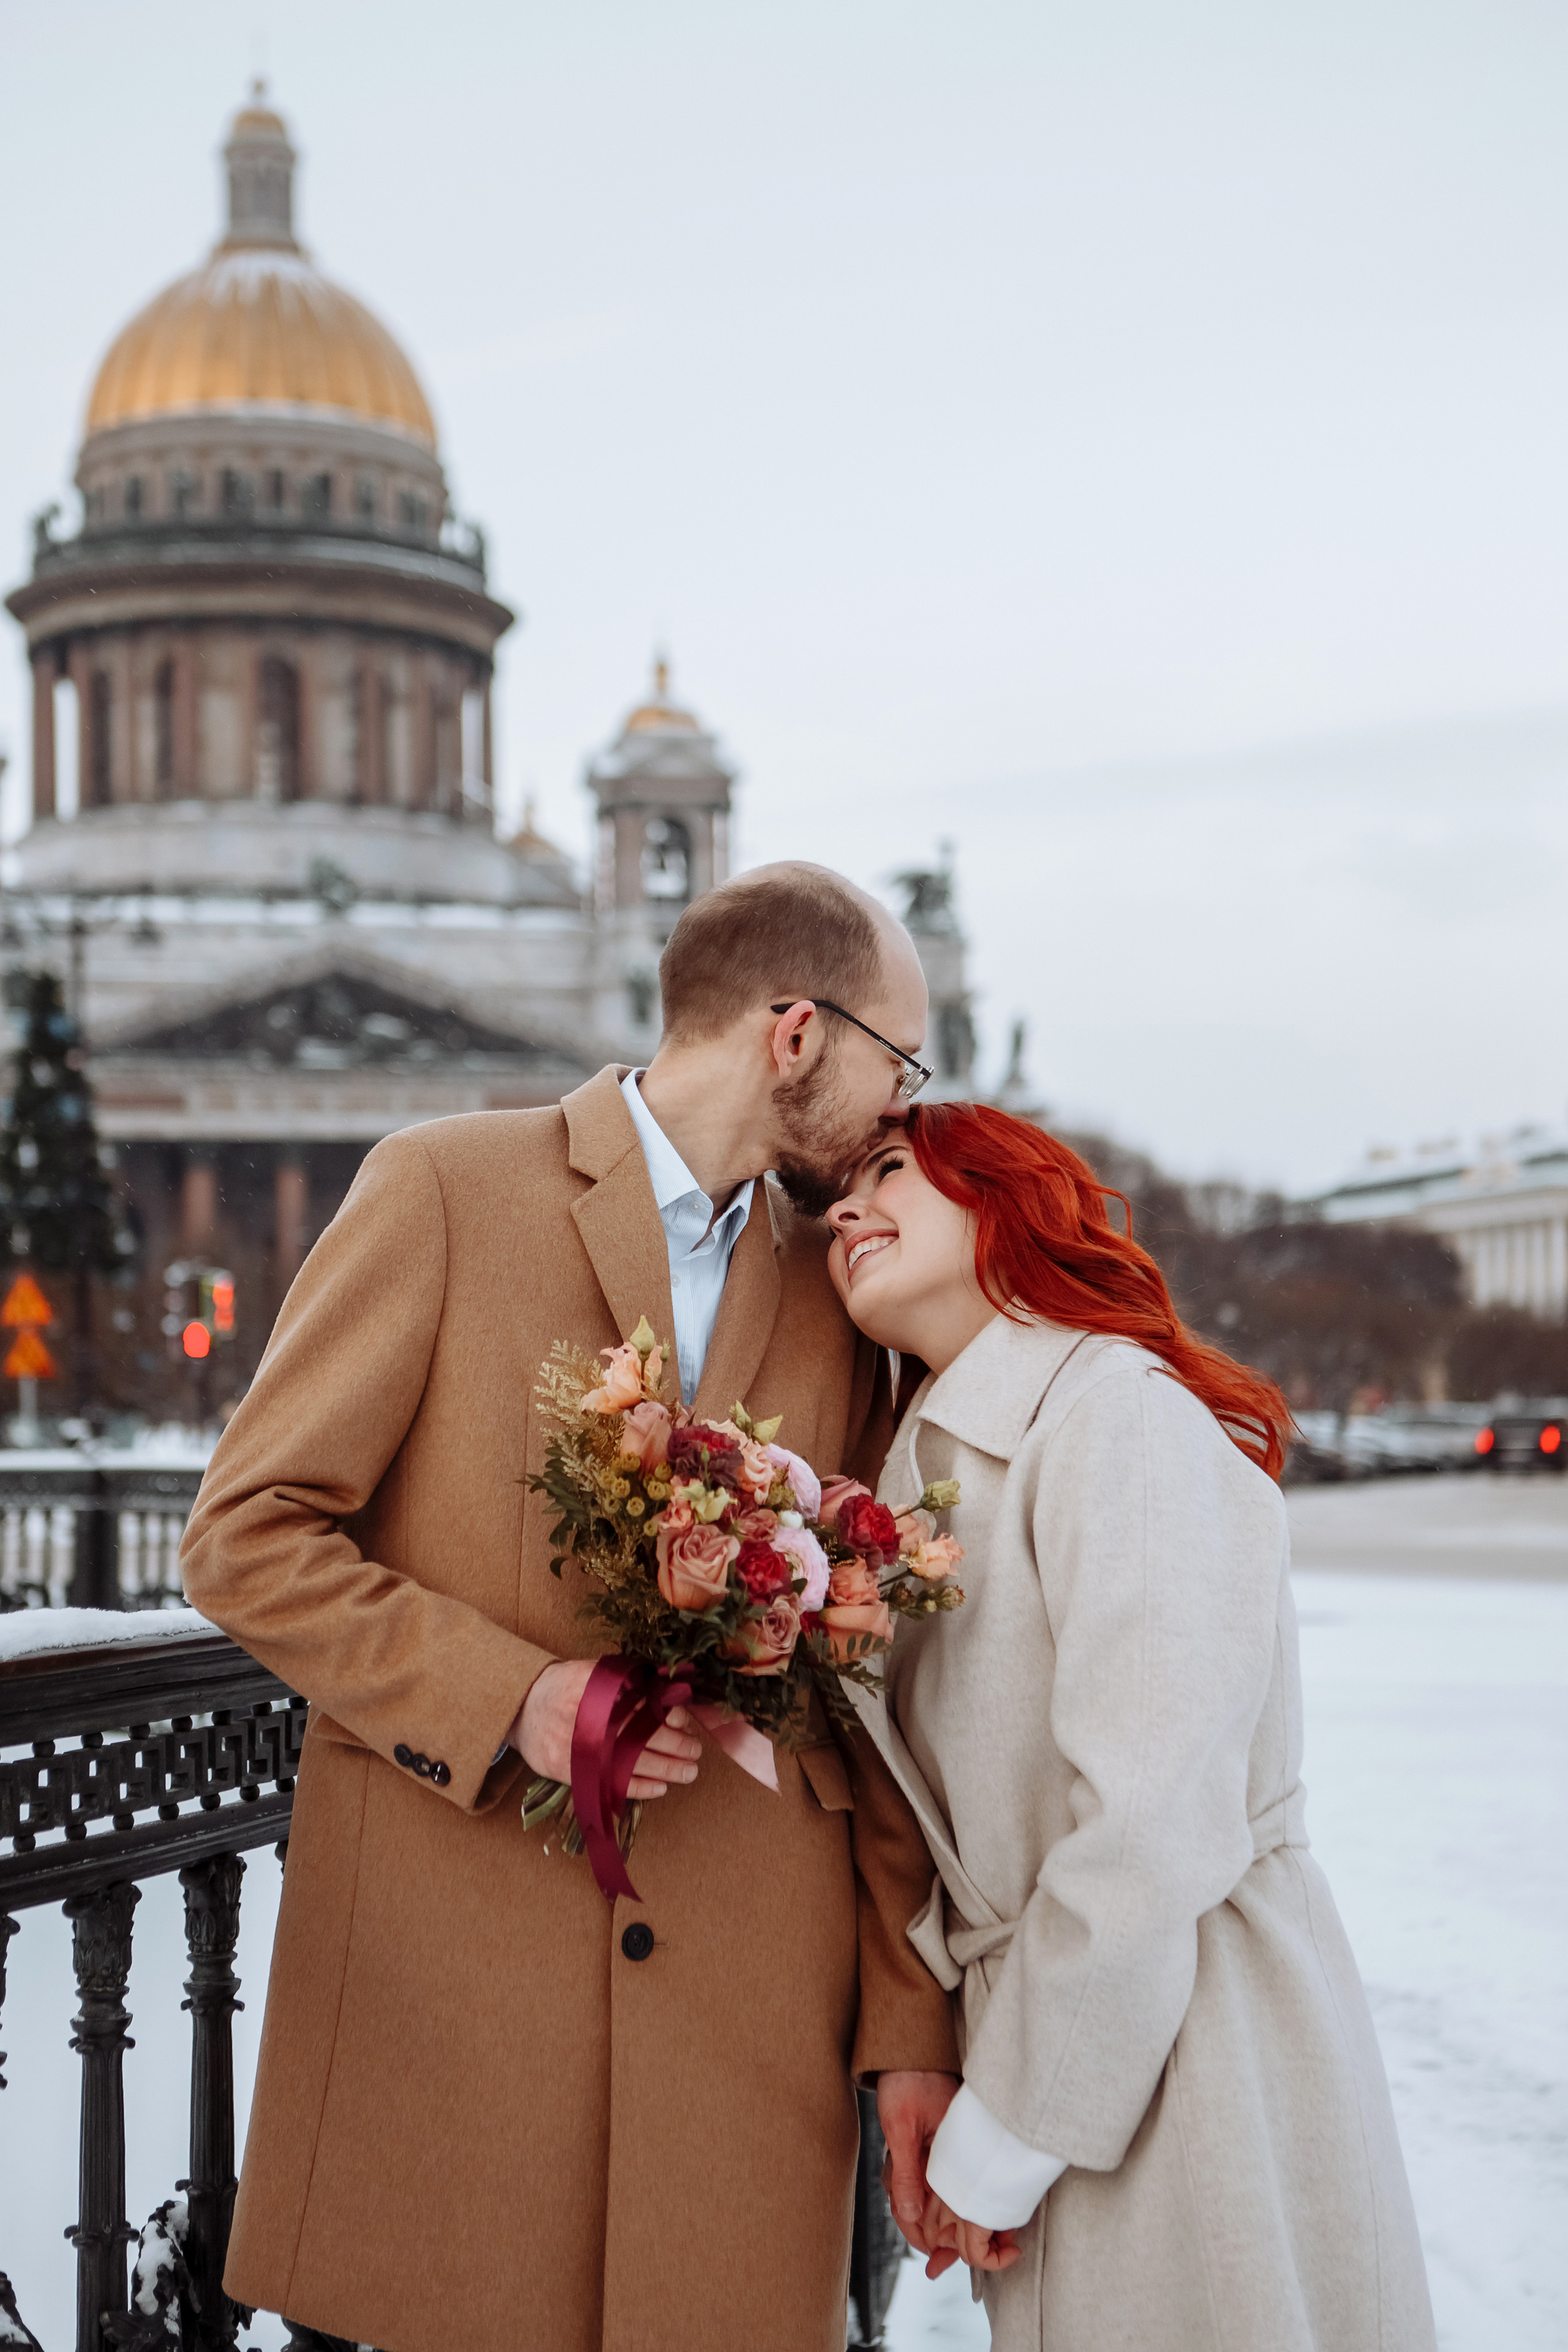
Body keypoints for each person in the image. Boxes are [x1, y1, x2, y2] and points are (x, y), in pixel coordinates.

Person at [179, 862, 963, 2352]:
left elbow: (874, 1684)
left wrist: (907, 2032)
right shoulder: (441, 1187)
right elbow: (246, 1536)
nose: (901, 1112)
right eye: (897, 1062)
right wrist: (515, 1701)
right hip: (457, 2025)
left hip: (748, 2049)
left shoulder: (843, 1283)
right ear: (795, 1033)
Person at [825, 1102, 1439, 2352]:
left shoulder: (1117, 1412)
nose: (843, 1208)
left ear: (1010, 1200)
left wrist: (1014, 2130)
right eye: (835, 1194)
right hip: (1084, 2040)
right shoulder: (938, 1459)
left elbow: (1152, 1821)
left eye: (889, 1171)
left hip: (1187, 2045)